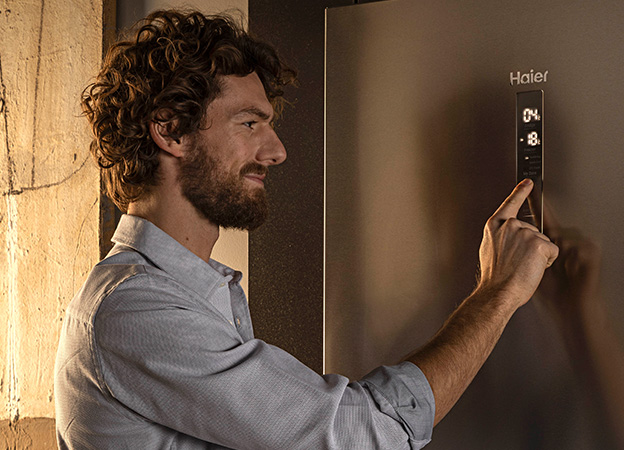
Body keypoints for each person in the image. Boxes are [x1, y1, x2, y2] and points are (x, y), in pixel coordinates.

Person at [54, 9, 559, 449]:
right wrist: (497, 293)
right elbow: (361, 435)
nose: (277, 151)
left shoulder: (190, 294)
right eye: (249, 124)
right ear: (171, 131)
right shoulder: (138, 310)